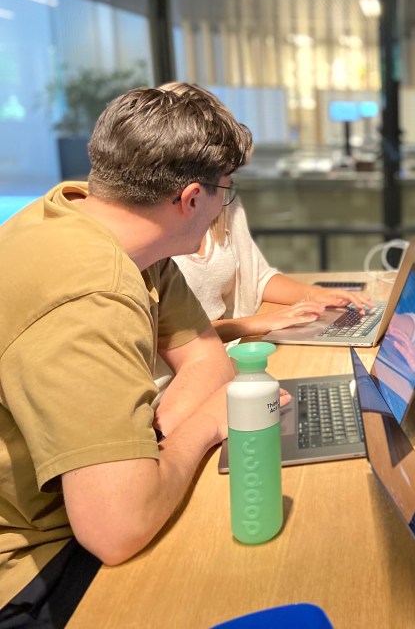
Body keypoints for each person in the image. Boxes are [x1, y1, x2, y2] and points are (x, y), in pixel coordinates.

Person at [0, 87, 257, 627]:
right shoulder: (87, 296)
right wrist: (205, 426)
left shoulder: (95, 222)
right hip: (31, 567)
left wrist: (142, 455)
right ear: (191, 199)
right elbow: (117, 527)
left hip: (80, 513)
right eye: (224, 196)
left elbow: (209, 361)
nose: (220, 212)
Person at [160, 83, 374, 343]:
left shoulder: (222, 201)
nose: (227, 185)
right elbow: (173, 338)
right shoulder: (157, 238)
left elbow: (258, 278)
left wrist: (315, 294)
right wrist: (257, 323)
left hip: (231, 351)